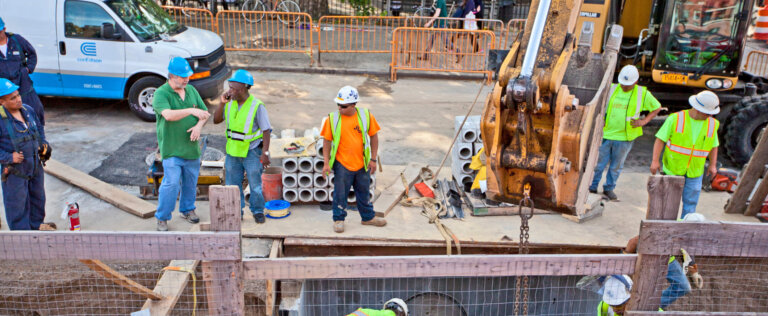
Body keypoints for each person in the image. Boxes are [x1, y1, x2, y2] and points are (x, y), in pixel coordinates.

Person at [153, 57, 210, 231]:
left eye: (187, 76)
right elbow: (168, 115)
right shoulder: (161, 94)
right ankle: (162, 217)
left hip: (191, 149)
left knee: (190, 182)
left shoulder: (191, 90)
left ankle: (187, 209)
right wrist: (191, 110)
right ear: (171, 75)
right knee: (171, 183)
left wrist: (198, 126)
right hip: (172, 149)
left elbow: (205, 113)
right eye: (182, 76)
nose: (186, 79)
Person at [590, 65, 662, 201]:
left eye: (627, 85)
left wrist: (644, 121)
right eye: (623, 83)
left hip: (625, 137)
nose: (624, 86)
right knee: (598, 164)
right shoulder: (612, 88)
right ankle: (592, 186)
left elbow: (657, 107)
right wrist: (601, 118)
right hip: (606, 134)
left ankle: (609, 188)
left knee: (616, 166)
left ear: (635, 82)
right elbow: (599, 104)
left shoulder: (642, 93)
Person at [322, 86, 386, 233]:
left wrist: (373, 159)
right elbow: (327, 141)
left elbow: (374, 136)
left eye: (343, 106)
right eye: (338, 104)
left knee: (363, 192)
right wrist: (326, 163)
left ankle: (367, 217)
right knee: (340, 194)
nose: (339, 108)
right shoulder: (333, 119)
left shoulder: (365, 116)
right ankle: (338, 219)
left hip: (361, 164)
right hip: (342, 164)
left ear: (353, 105)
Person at [213, 69, 272, 223]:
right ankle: (236, 212)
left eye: (233, 88)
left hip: (252, 152)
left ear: (244, 87)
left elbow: (266, 130)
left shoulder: (257, 106)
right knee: (232, 185)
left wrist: (265, 153)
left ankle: (258, 211)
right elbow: (216, 120)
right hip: (233, 152)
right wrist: (221, 103)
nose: (230, 90)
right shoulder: (230, 103)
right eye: (230, 86)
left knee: (255, 185)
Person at [651, 90, 720, 219]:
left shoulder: (712, 124)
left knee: (690, 205)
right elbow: (660, 139)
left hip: (695, 172)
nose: (710, 116)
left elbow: (713, 146)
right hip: (673, 169)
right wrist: (655, 161)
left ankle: (684, 228)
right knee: (668, 203)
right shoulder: (676, 119)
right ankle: (666, 228)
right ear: (698, 109)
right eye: (708, 113)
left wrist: (713, 165)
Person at [0, 78, 52, 231]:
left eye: (18, 95)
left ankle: (36, 230)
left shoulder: (28, 110)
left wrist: (44, 144)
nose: (18, 99)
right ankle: (22, 240)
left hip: (35, 166)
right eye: (12, 98)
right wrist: (9, 157)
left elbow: (39, 129)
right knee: (18, 206)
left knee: (38, 200)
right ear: (1, 102)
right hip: (15, 171)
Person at [0, 17, 45, 126]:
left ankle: (39, 138)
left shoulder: (17, 40)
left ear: (4, 29)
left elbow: (32, 54)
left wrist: (28, 69)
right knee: (8, 118)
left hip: (23, 82)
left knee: (35, 109)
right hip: (4, 87)